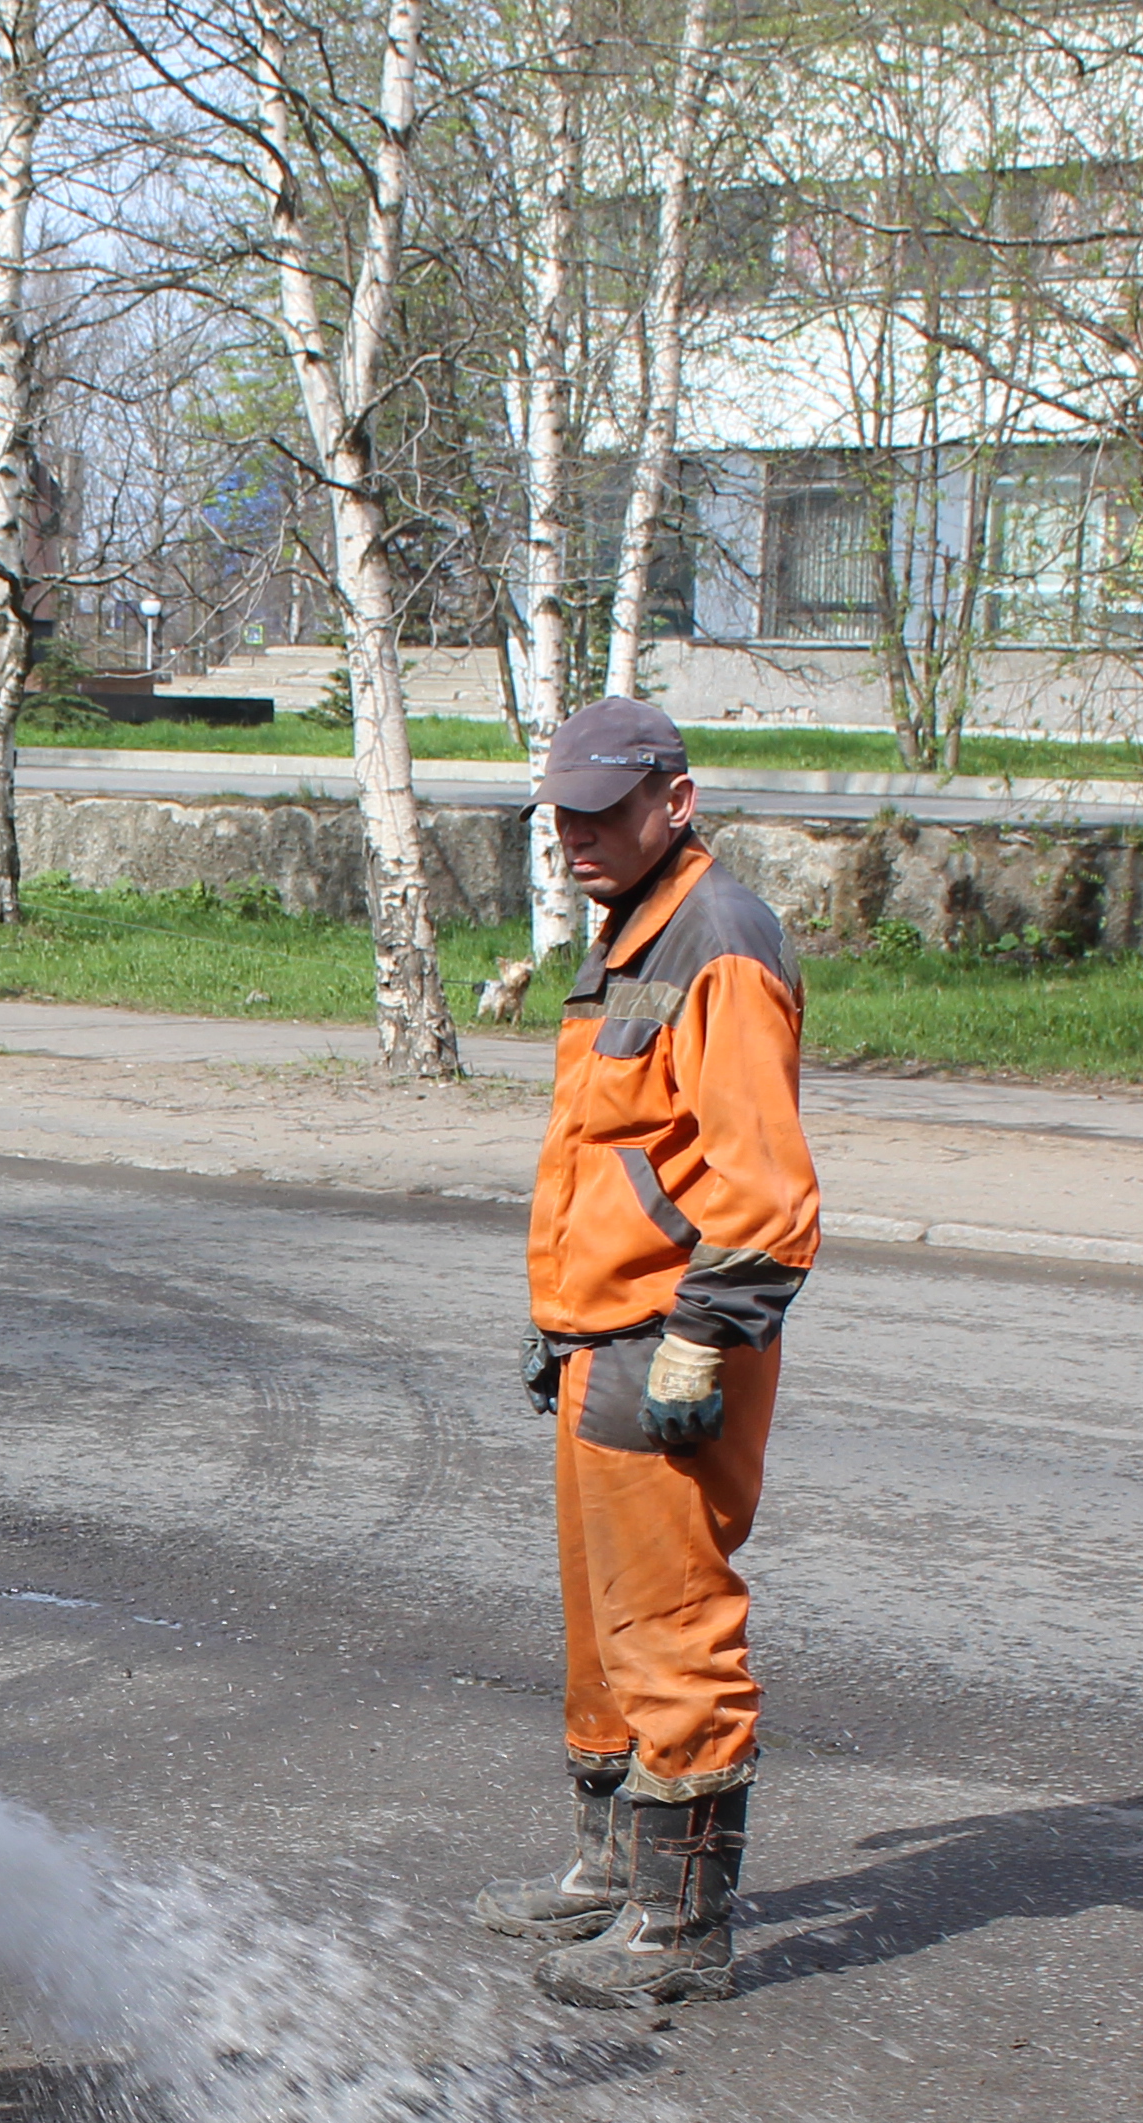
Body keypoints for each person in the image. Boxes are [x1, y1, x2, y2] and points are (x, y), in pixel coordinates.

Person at [468, 696, 818, 2008]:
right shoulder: (636, 930)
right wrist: (558, 1315)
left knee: (669, 1623)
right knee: (601, 1632)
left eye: (604, 811)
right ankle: (611, 1873)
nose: (577, 836)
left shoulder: (718, 941)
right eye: (562, 814)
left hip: (671, 1346)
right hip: (604, 1337)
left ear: (678, 800)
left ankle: (682, 1928)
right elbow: (616, 1162)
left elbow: (764, 1186)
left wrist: (703, 1340)